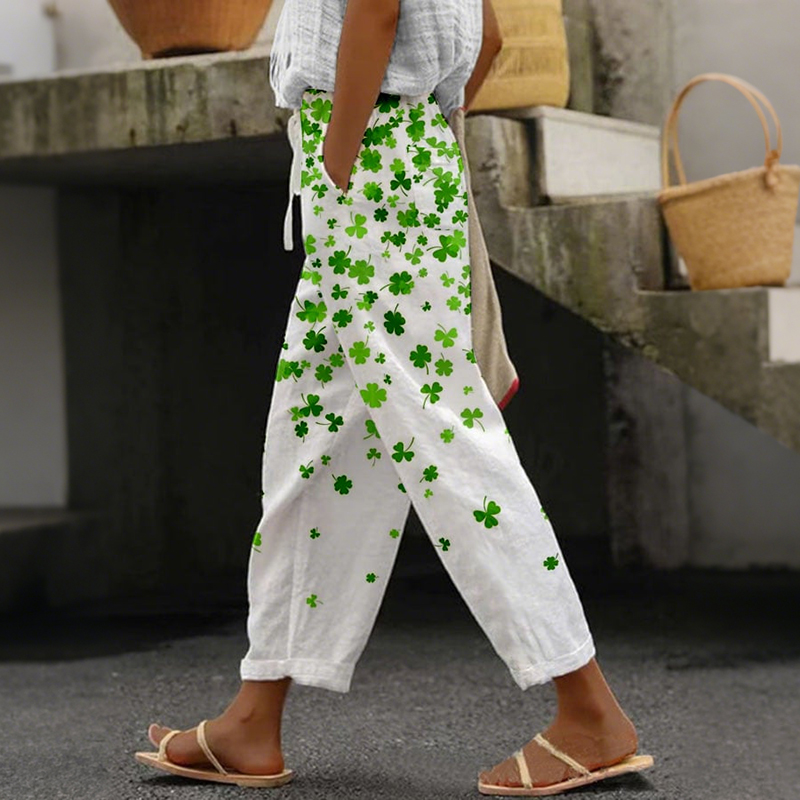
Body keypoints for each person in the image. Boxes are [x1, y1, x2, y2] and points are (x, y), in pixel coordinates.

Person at [135, 0, 654, 794]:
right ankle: (253, 716)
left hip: (370, 165)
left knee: (447, 441)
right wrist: (401, 140)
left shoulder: (355, 156)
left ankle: (589, 710)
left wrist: (339, 160)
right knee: (313, 443)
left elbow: (376, 7)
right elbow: (492, 35)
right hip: (400, 157)